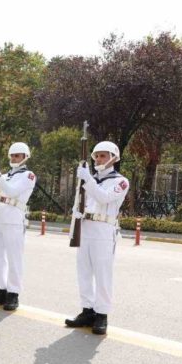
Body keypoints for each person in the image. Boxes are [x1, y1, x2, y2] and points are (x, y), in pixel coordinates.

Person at [65, 141, 129, 335]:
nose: (99, 159)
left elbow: (103, 197)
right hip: (85, 228)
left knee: (102, 273)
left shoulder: (121, 181)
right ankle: (87, 310)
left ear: (114, 158)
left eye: (103, 155)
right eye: (97, 156)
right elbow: (79, 202)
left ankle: (102, 314)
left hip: (103, 229)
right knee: (83, 271)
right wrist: (75, 217)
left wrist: (87, 180)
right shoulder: (88, 178)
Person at [0, 142, 36, 311]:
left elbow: (12, 192)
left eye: (17, 156)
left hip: (14, 218)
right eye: (12, 155)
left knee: (14, 258)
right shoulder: (5, 175)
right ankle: (1, 290)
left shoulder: (28, 175)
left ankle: (13, 293)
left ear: (25, 157)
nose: (14, 158)